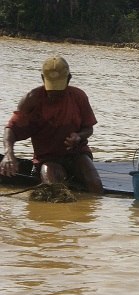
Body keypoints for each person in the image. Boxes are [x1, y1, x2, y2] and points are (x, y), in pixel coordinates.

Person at [0, 56, 103, 193]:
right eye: (51, 89)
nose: (55, 94)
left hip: (77, 153)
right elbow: (11, 129)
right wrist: (9, 154)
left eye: (59, 90)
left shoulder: (79, 97)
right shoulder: (32, 99)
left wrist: (78, 136)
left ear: (69, 79)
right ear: (43, 79)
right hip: (48, 158)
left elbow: (88, 128)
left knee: (95, 186)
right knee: (55, 190)